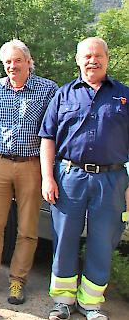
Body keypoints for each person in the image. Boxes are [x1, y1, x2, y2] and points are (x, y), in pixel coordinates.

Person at [40, 37, 128, 320]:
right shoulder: (63, 95)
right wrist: (47, 178)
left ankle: (91, 303)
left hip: (112, 179)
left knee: (103, 240)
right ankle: (62, 301)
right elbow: (48, 138)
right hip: (69, 177)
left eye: (98, 55)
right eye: (87, 56)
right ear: (77, 60)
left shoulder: (124, 96)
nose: (93, 60)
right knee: (64, 238)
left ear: (107, 58)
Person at [0, 39, 57, 304]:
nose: (12, 66)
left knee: (27, 228)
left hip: (31, 165)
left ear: (29, 62)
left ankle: (18, 281)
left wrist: (49, 172)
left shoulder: (48, 89)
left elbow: (54, 132)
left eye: (18, 60)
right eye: (8, 62)